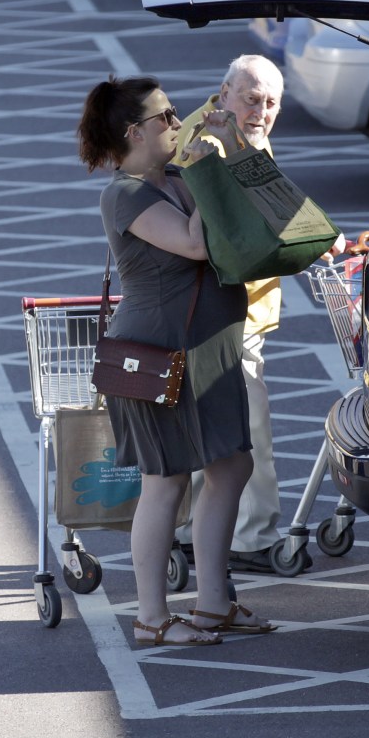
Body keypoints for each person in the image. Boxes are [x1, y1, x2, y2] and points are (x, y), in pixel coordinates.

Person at [78, 73, 277, 645]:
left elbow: (245, 205)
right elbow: (195, 243)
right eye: (165, 117)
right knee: (165, 480)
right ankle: (151, 618)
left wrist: (230, 146)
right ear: (134, 132)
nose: (177, 122)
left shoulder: (178, 177)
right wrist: (208, 165)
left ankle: (214, 602)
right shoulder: (126, 194)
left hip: (209, 347)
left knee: (231, 464)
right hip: (160, 353)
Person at [173, 54, 343, 573]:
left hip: (226, 311)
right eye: (252, 99)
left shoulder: (234, 133)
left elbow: (275, 207)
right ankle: (253, 537)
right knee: (251, 431)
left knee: (213, 430)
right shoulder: (208, 142)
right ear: (224, 91)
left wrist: (320, 241)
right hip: (223, 313)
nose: (262, 111)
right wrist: (310, 243)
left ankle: (193, 532)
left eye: (272, 103)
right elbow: (236, 235)